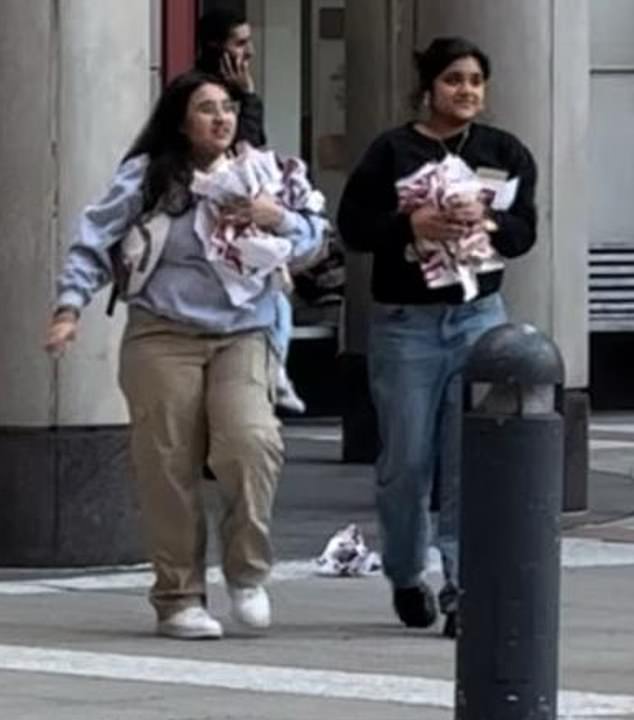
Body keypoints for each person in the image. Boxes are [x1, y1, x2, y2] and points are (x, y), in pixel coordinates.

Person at [45, 71, 326, 640]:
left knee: (251, 443)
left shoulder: (264, 175)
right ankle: (178, 597)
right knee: (166, 463)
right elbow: (94, 240)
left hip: (243, 330)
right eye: (206, 109)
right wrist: (69, 307)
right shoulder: (147, 177)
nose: (221, 118)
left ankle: (246, 572)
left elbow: (316, 240)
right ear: (180, 120)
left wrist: (281, 220)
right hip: (161, 333)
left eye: (227, 108)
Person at [337, 37, 537, 638]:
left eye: (476, 80)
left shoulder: (505, 152)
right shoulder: (391, 150)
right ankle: (404, 572)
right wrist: (409, 223)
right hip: (407, 325)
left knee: (467, 460)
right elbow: (353, 227)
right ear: (429, 88)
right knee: (407, 461)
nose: (467, 91)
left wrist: (491, 222)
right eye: (454, 80)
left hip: (479, 319)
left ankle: (463, 588)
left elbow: (525, 231)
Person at [197, 6, 305, 413]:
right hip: (214, 215)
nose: (249, 53)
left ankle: (273, 367)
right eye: (240, 43)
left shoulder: (228, 92)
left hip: (242, 214)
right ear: (217, 49)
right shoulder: (205, 94)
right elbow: (246, 148)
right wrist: (248, 99)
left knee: (271, 291)